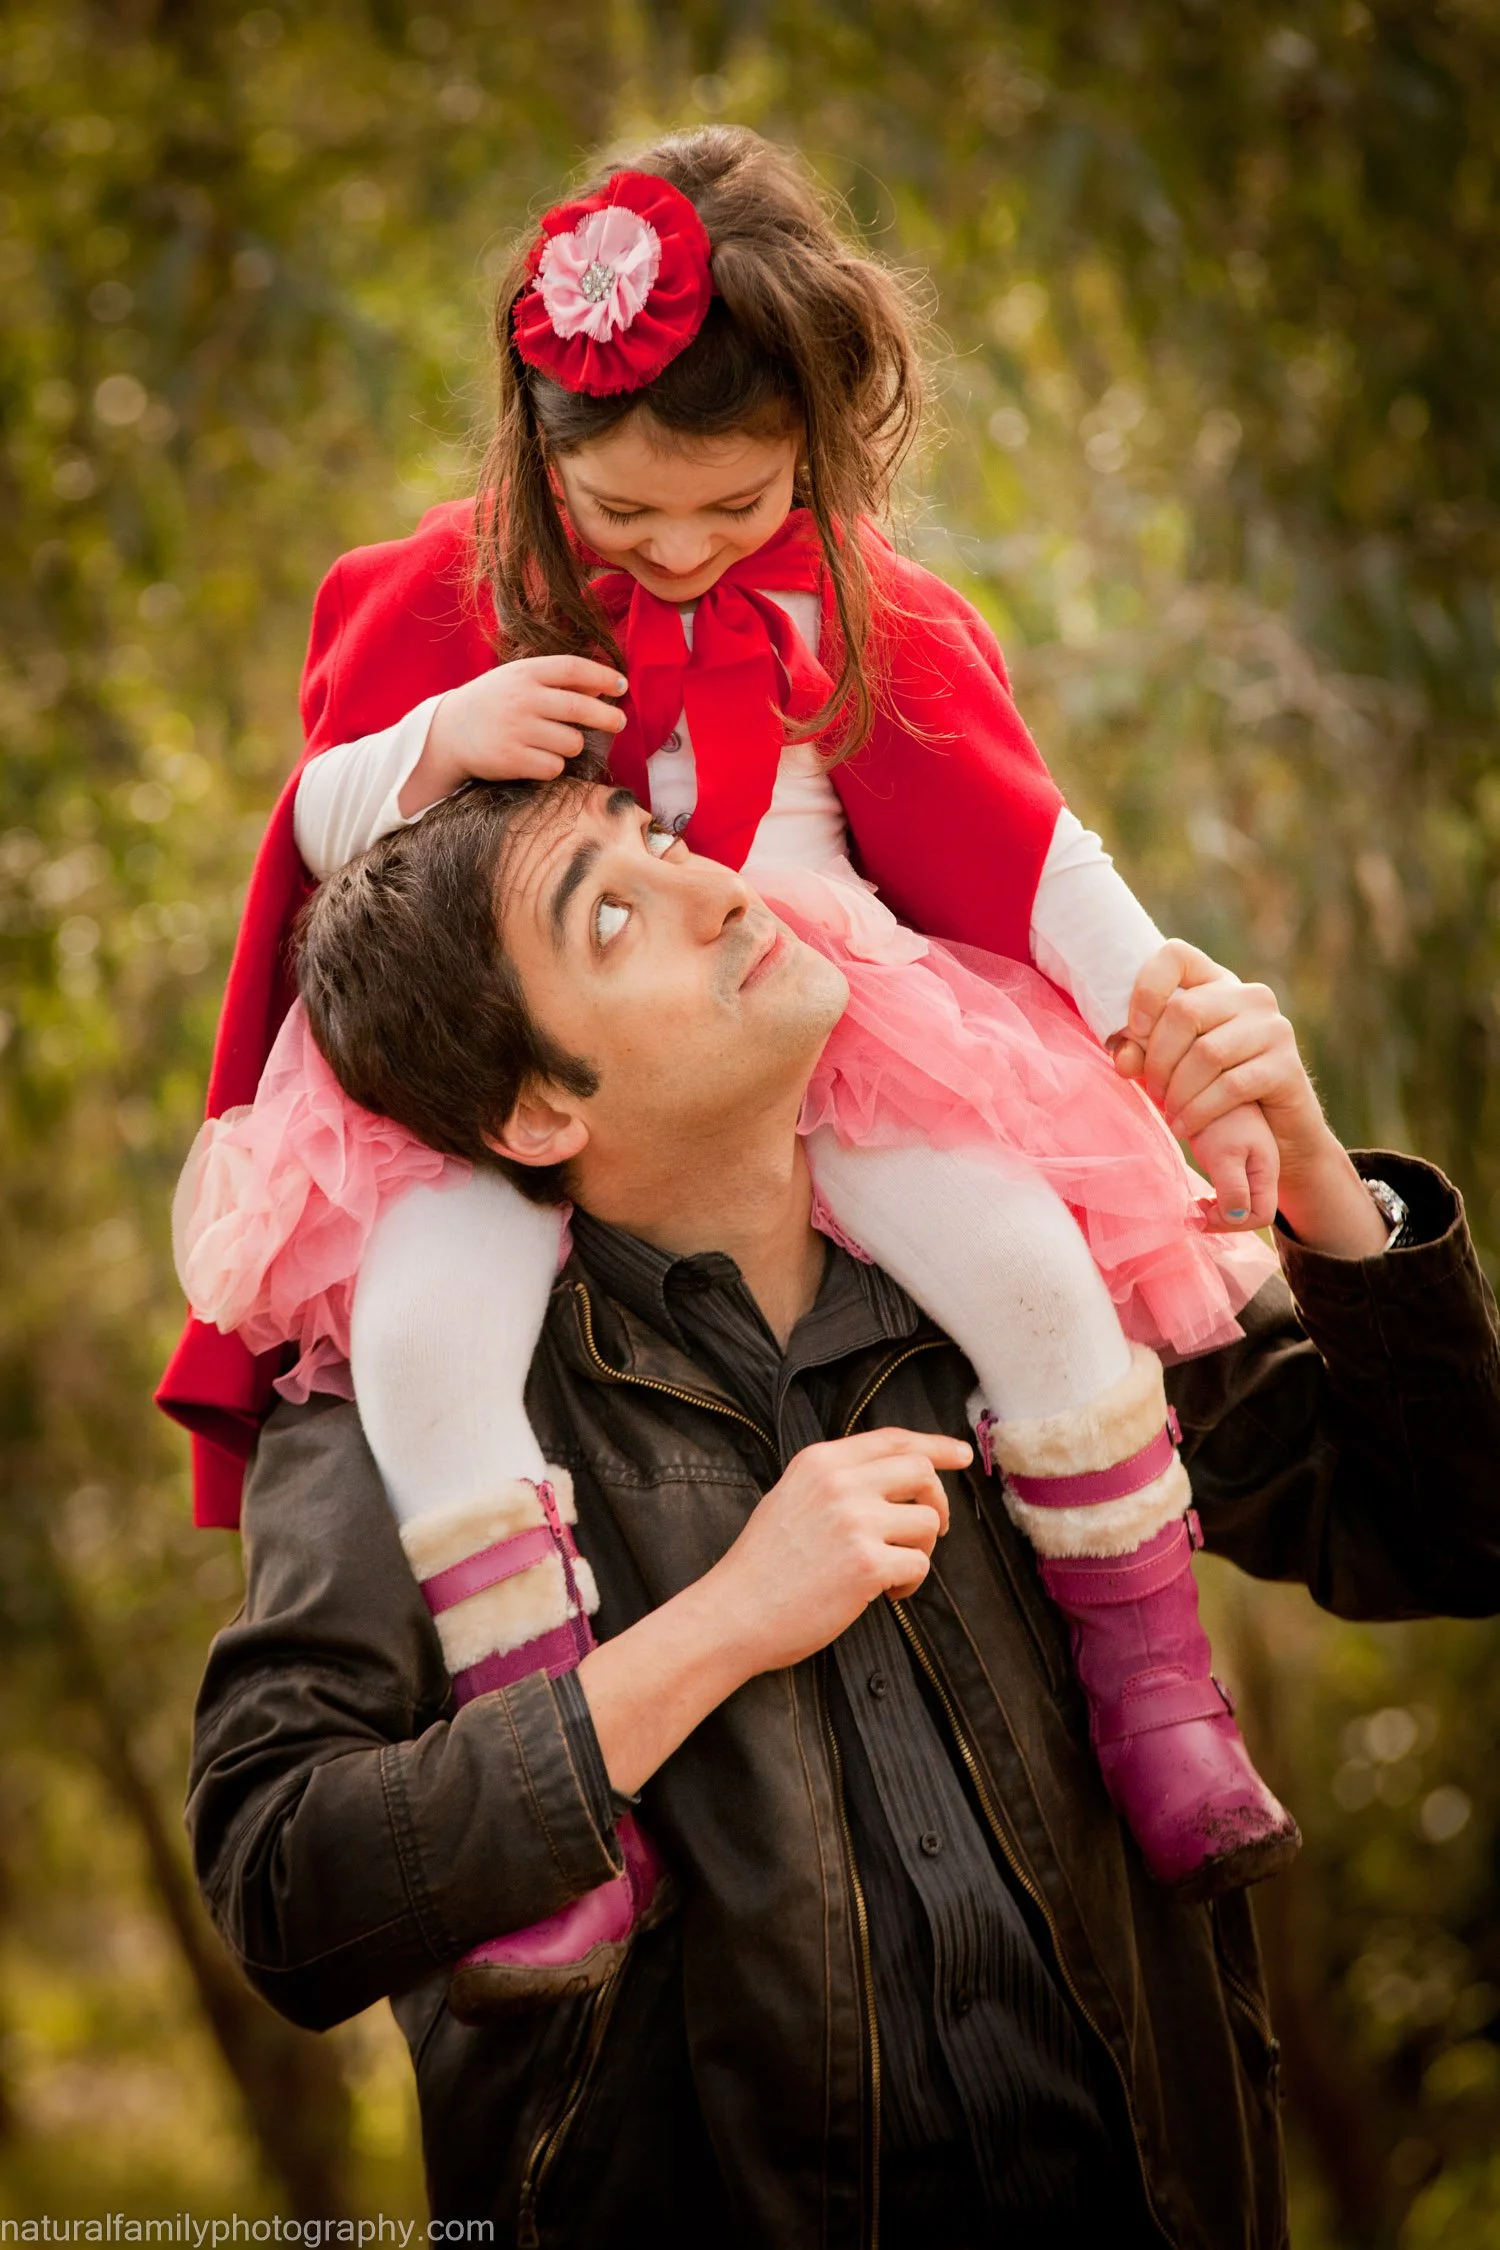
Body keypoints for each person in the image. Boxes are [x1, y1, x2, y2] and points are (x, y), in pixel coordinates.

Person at [171, 126, 1297, 2008]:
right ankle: (554, 1762)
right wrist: (444, 738)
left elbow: (1028, 846)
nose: (685, 552)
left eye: (737, 503)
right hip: (511, 1054)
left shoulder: (864, 612)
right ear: (543, 452)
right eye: (628, 518)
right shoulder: (442, 601)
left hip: (833, 1008)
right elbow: (319, 834)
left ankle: (1161, 1688)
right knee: (428, 1341)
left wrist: (1161, 1016)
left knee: (1030, 1265)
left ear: (824, 451)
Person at [187, 774, 1500, 2247]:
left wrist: (1322, 1187)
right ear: (539, 1103)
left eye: (667, 845)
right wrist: (720, 1626)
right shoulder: (409, 1424)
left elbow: (1450, 1528)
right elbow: (283, 1878)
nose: (728, 888)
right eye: (617, 918)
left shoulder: (1031, 1271)